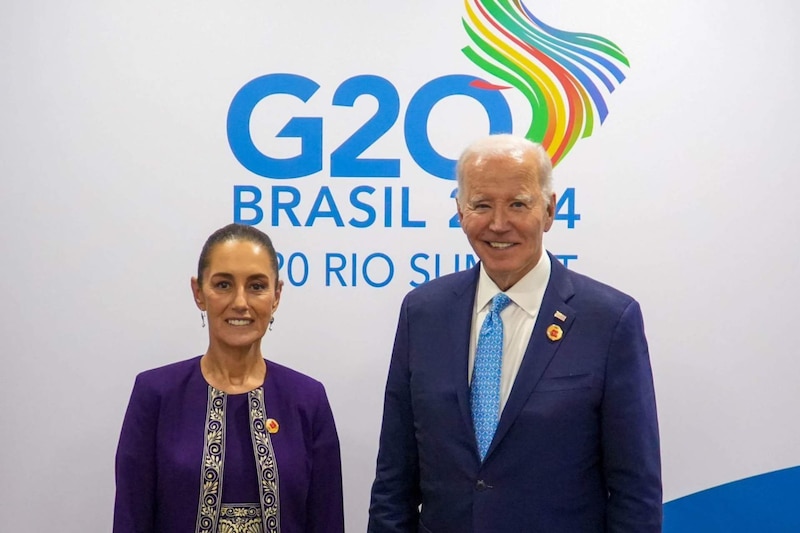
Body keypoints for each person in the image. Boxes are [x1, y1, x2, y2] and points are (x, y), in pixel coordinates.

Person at [368, 134, 662, 532]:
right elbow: (394, 480)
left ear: (549, 210)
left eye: (518, 204)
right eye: (482, 205)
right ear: (459, 210)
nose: (499, 223)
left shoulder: (609, 321)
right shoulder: (423, 313)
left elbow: (635, 492)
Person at [114, 223, 344, 533]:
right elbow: (131, 520)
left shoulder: (307, 399)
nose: (240, 302)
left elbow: (327, 522)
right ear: (199, 293)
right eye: (223, 285)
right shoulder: (155, 395)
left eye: (257, 286)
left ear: (276, 295)